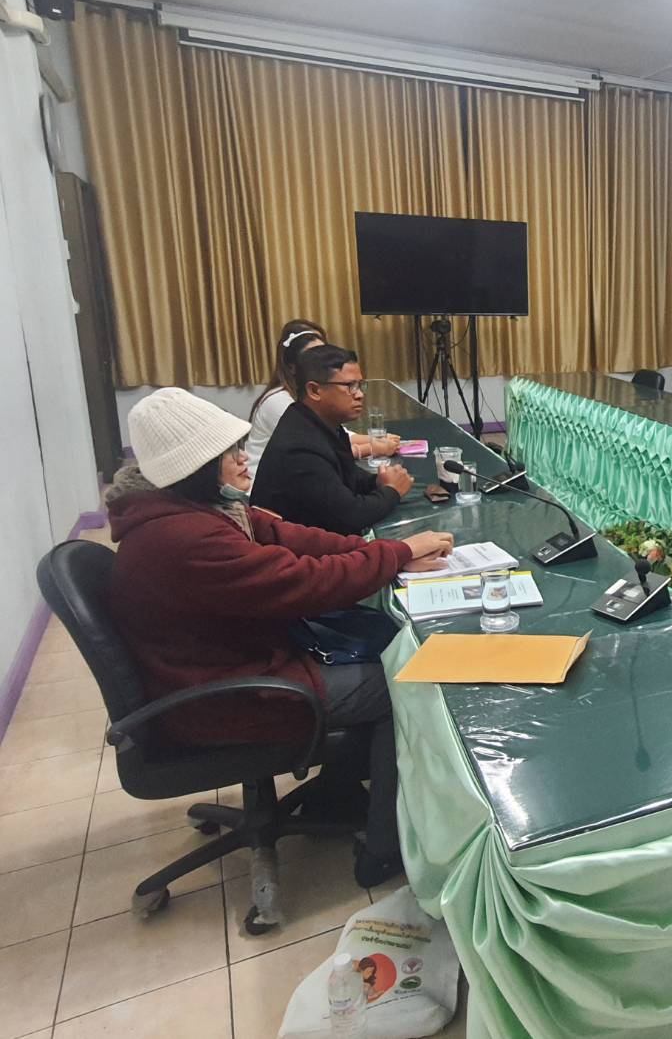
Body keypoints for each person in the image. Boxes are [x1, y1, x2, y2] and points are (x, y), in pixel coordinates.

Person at [105, 388, 454, 886]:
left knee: (384, 645)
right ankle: (385, 846)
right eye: (229, 453)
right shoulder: (185, 538)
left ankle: (336, 793)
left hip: (234, 662)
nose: (242, 459)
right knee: (402, 680)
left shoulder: (192, 509)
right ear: (197, 467)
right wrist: (394, 555)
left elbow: (290, 539)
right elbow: (302, 582)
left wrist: (385, 552)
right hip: (226, 696)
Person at [251, 345, 415, 535]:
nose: (360, 394)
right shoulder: (300, 448)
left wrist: (378, 481)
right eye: (349, 386)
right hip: (295, 549)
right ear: (314, 390)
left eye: (360, 385)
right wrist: (392, 491)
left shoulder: (319, 423)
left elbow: (347, 476)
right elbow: (352, 515)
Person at [246, 319, 399, 476]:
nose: (321, 361)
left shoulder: (309, 395)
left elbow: (338, 437)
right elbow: (322, 450)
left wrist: (380, 439)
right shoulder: (278, 402)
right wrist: (372, 447)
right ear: (292, 367)